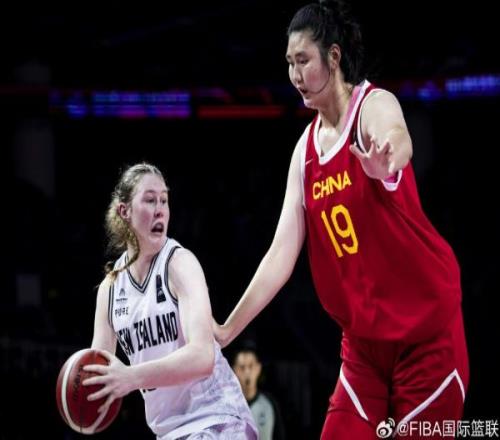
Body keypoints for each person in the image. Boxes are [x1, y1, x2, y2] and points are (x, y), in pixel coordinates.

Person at [214, 1, 469, 438]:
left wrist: (386, 162)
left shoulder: (372, 104)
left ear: (333, 57)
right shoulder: (304, 152)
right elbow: (280, 254)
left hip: (425, 336)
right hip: (364, 348)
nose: (295, 74)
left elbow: (397, 137)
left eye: (303, 60)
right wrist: (226, 330)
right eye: (289, 63)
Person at [81, 163, 257, 440]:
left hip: (218, 418)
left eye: (164, 200)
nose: (160, 209)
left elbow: (202, 357)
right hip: (170, 431)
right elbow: (99, 375)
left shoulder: (179, 264)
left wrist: (131, 376)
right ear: (124, 211)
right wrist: (83, 399)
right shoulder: (110, 289)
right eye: (150, 200)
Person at [232, 345, 286, 440]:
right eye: (242, 367)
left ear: (258, 368)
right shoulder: (227, 407)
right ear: (234, 370)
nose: (247, 372)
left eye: (251, 366)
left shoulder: (269, 404)